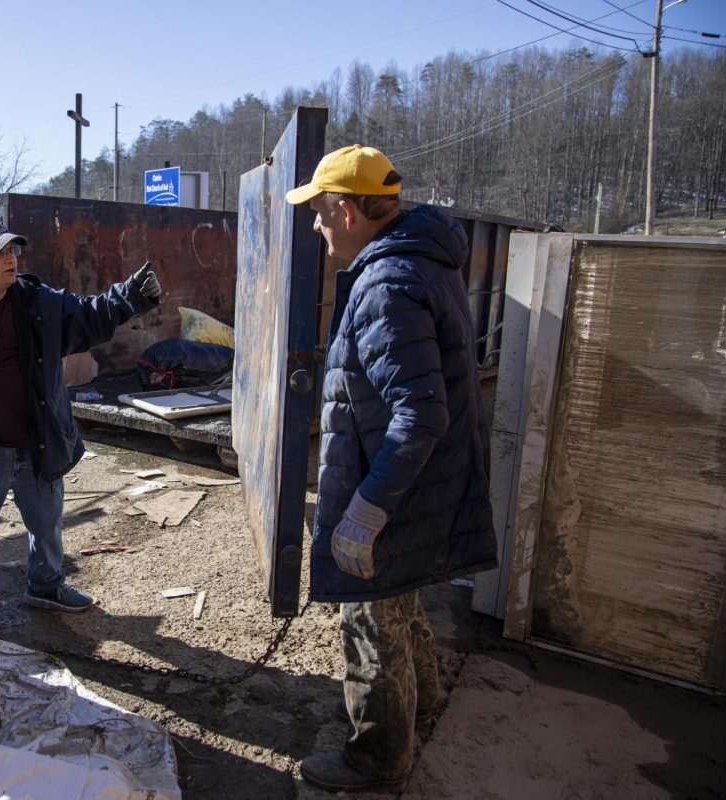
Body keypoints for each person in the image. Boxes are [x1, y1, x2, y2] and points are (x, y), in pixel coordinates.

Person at [284, 146, 497, 792]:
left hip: (394, 495)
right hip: (418, 490)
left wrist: (364, 514)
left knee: (370, 621)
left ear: (348, 211)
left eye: (320, 213)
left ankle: (377, 757)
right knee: (400, 612)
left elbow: (419, 415)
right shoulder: (419, 263)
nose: (317, 226)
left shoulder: (386, 283)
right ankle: (420, 707)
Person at [0, 217, 161, 612]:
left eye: (13, 249)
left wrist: (130, 296)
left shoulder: (34, 302)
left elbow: (86, 314)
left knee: (47, 524)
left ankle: (45, 587)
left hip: (37, 438)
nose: (11, 258)